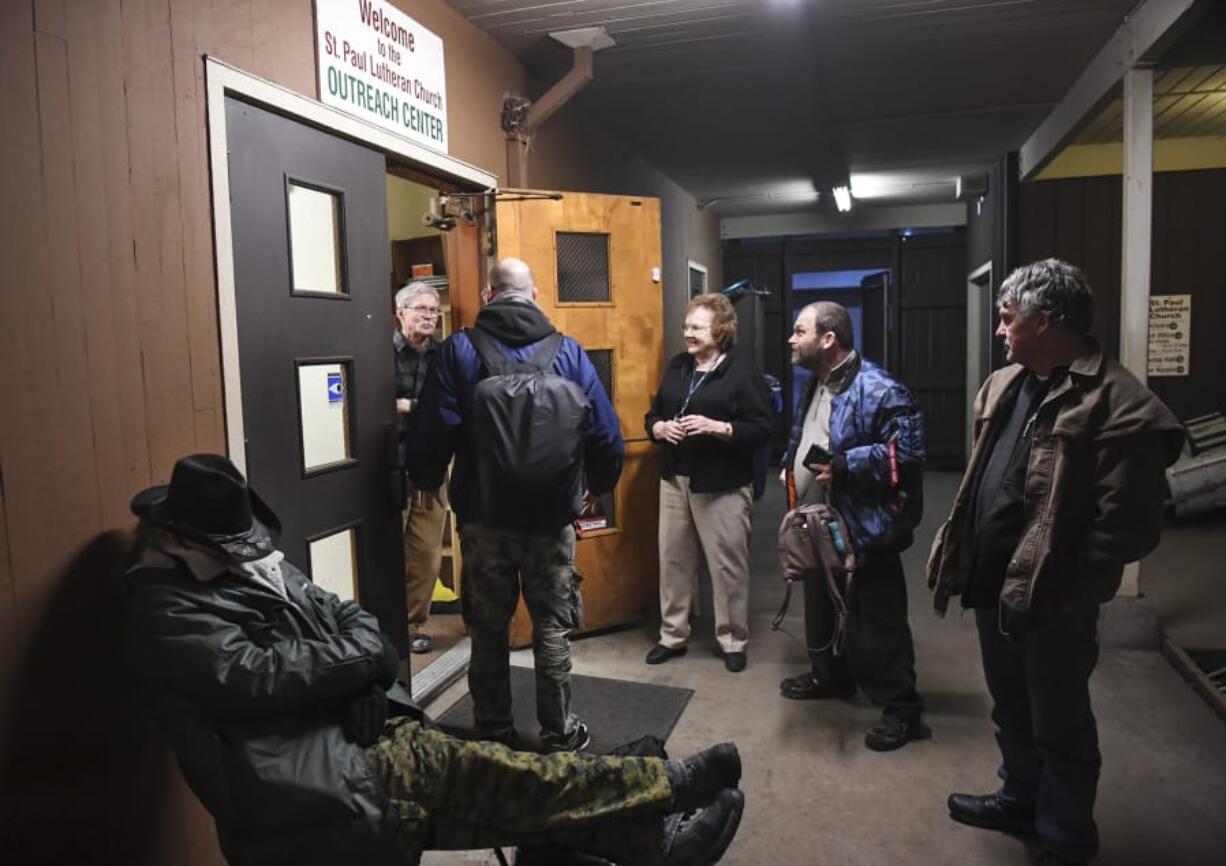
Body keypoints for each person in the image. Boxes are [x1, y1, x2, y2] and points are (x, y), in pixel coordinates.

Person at [123, 453, 745, 866]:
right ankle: (659, 792)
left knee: (498, 791)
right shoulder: (167, 613)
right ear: (179, 540)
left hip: (342, 731)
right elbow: (265, 679)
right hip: (301, 773)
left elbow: (356, 622)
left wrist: (362, 676)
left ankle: (644, 835)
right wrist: (360, 667)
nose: (243, 553)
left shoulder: (253, 570)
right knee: (496, 775)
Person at [927, 260, 1184, 866]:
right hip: (996, 587)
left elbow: (1129, 527)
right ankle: (1020, 799)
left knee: (1060, 721)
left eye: (1007, 318)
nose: (1000, 330)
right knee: (1011, 704)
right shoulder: (1005, 383)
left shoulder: (1120, 404)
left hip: (1055, 600)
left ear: (1043, 322)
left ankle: (1066, 838)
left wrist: (1066, 581)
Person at [406, 257, 623, 753]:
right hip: (551, 520)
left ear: (488, 295)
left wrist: (424, 477)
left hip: (484, 520)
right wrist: (597, 484)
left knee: (487, 629)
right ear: (536, 294)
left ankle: (493, 731)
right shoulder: (568, 352)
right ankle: (560, 731)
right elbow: (604, 432)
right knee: (552, 627)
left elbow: (433, 428)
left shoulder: (460, 350)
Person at [778, 301, 929, 752]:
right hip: (817, 524)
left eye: (799, 330)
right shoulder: (816, 382)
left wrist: (847, 465)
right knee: (821, 606)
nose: (791, 338)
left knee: (876, 620)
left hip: (865, 529)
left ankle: (903, 711)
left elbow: (910, 455)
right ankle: (832, 677)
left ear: (828, 339)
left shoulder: (881, 390)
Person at [643, 294, 773, 673]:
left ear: (721, 330)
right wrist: (657, 427)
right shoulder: (678, 366)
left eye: (696, 327)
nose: (687, 333)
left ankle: (732, 639)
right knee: (673, 561)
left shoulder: (742, 373)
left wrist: (720, 428)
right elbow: (654, 411)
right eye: (686, 326)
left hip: (723, 486)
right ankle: (672, 635)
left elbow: (763, 429)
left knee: (727, 565)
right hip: (675, 480)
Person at [394, 281, 446, 654]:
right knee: (384, 550)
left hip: (429, 469)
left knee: (426, 556)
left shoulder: (445, 357)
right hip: (386, 466)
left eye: (434, 311)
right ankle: (381, 623)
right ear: (400, 313)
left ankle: (412, 624)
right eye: (422, 309)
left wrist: (409, 407)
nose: (430, 316)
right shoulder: (376, 353)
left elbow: (448, 409)